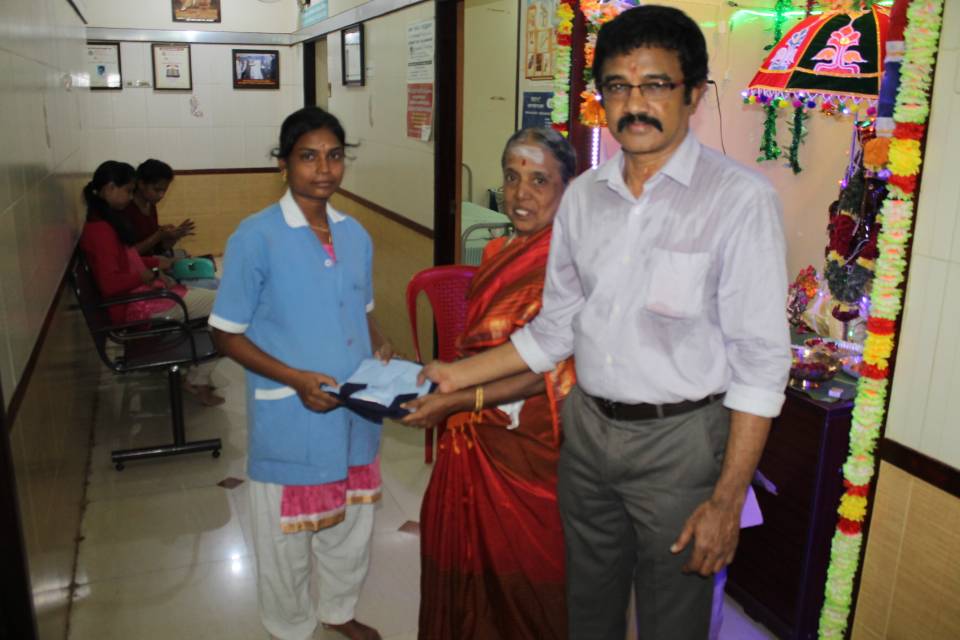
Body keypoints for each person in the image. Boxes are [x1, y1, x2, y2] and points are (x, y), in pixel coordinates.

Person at [419, 6, 791, 640]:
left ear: (694, 94)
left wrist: (726, 500)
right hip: (587, 437)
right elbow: (554, 330)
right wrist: (455, 377)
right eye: (618, 85)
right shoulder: (584, 198)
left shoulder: (739, 200)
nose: (634, 103)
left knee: (672, 619)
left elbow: (760, 364)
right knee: (586, 608)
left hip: (680, 445)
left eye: (656, 84)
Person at [209, 107, 393, 640]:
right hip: (293, 413)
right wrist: (294, 379)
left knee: (351, 524)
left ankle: (338, 610)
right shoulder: (256, 237)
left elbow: (361, 309)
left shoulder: (355, 234)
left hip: (354, 413)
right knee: (285, 537)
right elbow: (225, 333)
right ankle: (289, 626)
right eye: (308, 156)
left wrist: (380, 342)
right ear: (284, 164)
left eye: (334, 156)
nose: (324, 169)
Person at [401, 128, 577, 640]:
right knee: (469, 562)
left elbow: (545, 367)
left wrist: (462, 397)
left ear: (567, 188)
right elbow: (483, 348)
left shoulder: (569, 261)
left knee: (528, 576)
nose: (521, 194)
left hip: (531, 444)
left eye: (540, 180)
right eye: (512, 177)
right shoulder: (499, 248)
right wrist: (455, 393)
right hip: (474, 431)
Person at [79, 160, 223, 406]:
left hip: (141, 298)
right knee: (228, 304)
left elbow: (128, 259)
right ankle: (198, 380)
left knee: (214, 295)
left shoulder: (102, 222)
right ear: (110, 188)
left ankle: (197, 371)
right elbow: (111, 284)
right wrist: (147, 274)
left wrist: (157, 262)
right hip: (135, 307)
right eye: (128, 190)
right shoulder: (100, 231)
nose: (130, 196)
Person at [122, 159, 195, 257]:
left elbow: (156, 250)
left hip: (151, 261)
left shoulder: (151, 206)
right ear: (141, 184)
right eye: (157, 190)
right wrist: (158, 235)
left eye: (164, 190)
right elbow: (128, 254)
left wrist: (174, 237)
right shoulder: (126, 208)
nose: (161, 195)